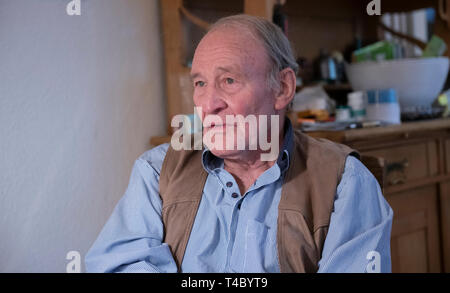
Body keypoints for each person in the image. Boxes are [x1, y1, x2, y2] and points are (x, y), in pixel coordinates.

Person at [85, 14, 393, 273]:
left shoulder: (344, 183)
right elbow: (117, 264)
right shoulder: (156, 171)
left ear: (282, 88)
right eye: (200, 83)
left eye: (229, 80)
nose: (207, 104)